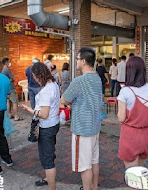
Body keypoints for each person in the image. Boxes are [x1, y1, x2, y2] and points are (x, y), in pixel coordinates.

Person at [61, 47, 102, 190]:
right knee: (94, 161)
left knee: (85, 166)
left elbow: (64, 100)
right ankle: (94, 187)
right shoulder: (97, 78)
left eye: (77, 59)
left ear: (83, 61)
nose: (76, 61)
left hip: (82, 129)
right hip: (95, 126)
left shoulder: (79, 81)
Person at [117, 56, 148, 190]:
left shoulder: (126, 91)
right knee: (140, 171)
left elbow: (121, 118)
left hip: (131, 135)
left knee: (133, 177)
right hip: (147, 133)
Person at [21, 62, 60, 190]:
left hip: (46, 126)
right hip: (54, 123)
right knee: (49, 153)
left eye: (34, 76)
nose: (34, 79)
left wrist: (29, 110)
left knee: (47, 158)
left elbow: (43, 114)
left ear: (39, 75)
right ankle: (48, 179)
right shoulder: (53, 84)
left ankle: (52, 187)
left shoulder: (46, 91)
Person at [0, 73, 13, 175]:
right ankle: (7, 159)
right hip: (1, 110)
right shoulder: (5, 78)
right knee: (1, 135)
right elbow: (8, 95)